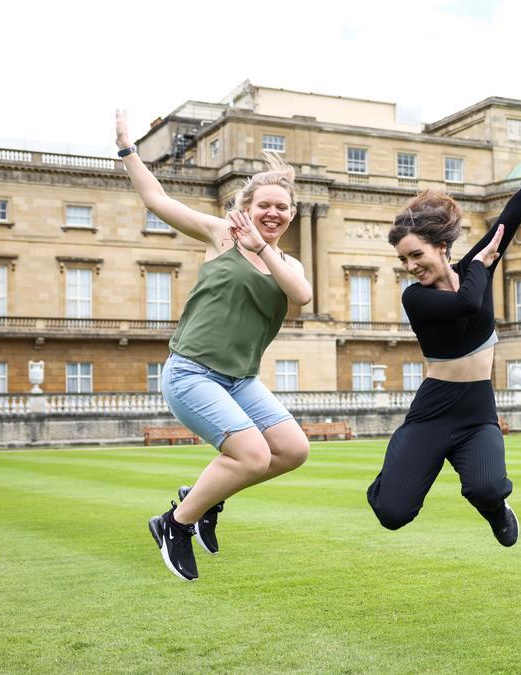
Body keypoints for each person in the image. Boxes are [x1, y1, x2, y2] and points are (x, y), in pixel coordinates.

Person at [116, 111, 312, 581]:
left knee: (292, 450)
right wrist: (128, 150)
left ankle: (203, 497)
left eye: (282, 208)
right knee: (252, 455)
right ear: (244, 207)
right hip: (191, 373)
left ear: (291, 214)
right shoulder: (221, 236)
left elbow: (301, 297)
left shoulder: (289, 262)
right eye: (264, 204)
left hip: (240, 380)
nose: (273, 213)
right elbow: (155, 197)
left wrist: (262, 248)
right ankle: (174, 524)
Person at [366, 117, 521, 546]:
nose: (411, 266)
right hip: (434, 409)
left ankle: (497, 511)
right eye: (403, 260)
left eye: (415, 254)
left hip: (477, 409)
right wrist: (480, 264)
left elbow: (512, 214)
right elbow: (466, 303)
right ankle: (393, 477)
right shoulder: (415, 298)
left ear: (440, 245)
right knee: (392, 513)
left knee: (487, 487)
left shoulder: (474, 267)